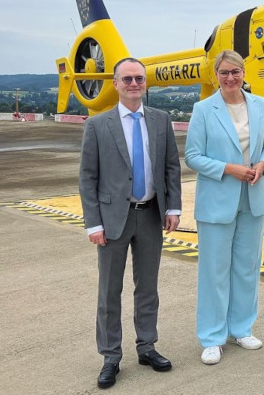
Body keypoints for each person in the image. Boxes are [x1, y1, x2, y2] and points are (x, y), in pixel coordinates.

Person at [79, 58, 182, 389]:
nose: (134, 83)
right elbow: (88, 177)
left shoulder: (161, 120)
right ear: (115, 83)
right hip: (112, 219)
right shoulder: (98, 125)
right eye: (127, 79)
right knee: (110, 290)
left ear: (145, 83)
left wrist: (174, 207)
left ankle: (147, 346)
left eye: (139, 78)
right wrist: (93, 223)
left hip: (151, 213)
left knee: (148, 286)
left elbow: (170, 168)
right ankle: (111, 356)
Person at [185, 50, 264, 366]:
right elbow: (193, 156)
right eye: (224, 73)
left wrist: (263, 163)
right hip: (217, 199)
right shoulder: (203, 109)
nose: (230, 78)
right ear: (216, 75)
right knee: (214, 270)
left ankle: (241, 328)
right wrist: (229, 168)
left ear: (243, 71)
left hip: (253, 198)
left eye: (235, 72)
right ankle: (212, 337)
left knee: (247, 266)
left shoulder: (260, 105)